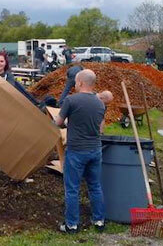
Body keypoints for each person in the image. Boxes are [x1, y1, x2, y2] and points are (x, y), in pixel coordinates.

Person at [54, 69, 106, 234]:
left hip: (76, 151)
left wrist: (64, 122)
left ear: (81, 83)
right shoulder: (100, 103)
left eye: (76, 82)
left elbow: (58, 122)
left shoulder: (71, 100)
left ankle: (72, 225)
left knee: (72, 189)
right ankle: (99, 221)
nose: (74, 84)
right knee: (95, 186)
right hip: (95, 150)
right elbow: (101, 128)